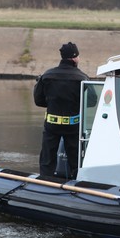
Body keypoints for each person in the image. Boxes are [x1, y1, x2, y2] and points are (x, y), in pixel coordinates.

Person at [33, 42, 97, 179]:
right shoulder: (82, 78)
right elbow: (92, 101)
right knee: (75, 160)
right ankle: (77, 185)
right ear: (74, 58)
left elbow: (38, 101)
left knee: (47, 159)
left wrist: (52, 103)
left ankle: (45, 184)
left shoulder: (47, 75)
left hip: (52, 125)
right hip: (73, 126)